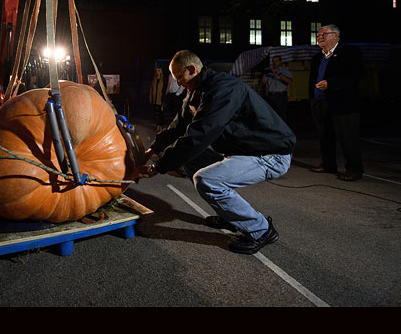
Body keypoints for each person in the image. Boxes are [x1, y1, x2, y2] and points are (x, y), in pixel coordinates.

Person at [135, 50, 296, 255]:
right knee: (190, 161)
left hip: (270, 154)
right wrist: (151, 150)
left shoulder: (223, 89)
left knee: (207, 180)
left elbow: (199, 135)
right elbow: (177, 127)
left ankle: (261, 230)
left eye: (180, 79)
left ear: (192, 69)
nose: (179, 84)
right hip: (243, 151)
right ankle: (229, 216)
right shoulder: (196, 91)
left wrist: (158, 167)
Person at [308, 24, 364, 181]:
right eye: (318, 35)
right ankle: (328, 164)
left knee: (347, 137)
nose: (320, 37)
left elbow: (355, 76)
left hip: (343, 103)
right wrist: (312, 98)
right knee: (324, 135)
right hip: (319, 101)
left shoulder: (349, 52)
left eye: (324, 34)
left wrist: (330, 84)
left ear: (336, 36)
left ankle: (354, 169)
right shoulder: (317, 57)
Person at [260, 55, 292, 122]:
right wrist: (264, 74)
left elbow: (290, 82)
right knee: (270, 116)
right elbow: (262, 84)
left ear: (280, 62)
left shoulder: (285, 71)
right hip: (270, 96)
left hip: (280, 96)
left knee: (281, 116)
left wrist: (279, 74)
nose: (274, 63)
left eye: (276, 61)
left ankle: (282, 131)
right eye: (273, 61)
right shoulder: (268, 72)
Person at [150, 67, 165, 133]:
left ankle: (161, 127)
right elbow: (151, 90)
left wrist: (164, 99)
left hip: (161, 99)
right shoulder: (154, 80)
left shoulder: (163, 80)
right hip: (155, 99)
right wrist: (151, 98)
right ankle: (157, 127)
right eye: (156, 71)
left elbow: (164, 90)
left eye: (158, 71)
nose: (157, 72)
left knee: (161, 114)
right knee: (157, 114)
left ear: (160, 72)